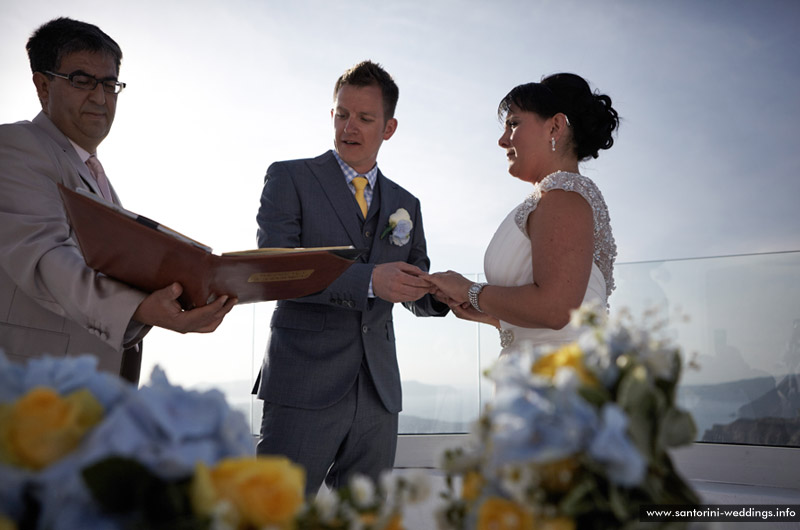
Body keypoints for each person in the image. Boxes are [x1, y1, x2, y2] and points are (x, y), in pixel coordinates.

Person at [0, 17, 236, 384]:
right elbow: (46, 257)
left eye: (109, 83)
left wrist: (183, 290)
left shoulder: (95, 175)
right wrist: (141, 308)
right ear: (43, 86)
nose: (99, 97)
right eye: (82, 81)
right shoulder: (15, 147)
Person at [252, 60, 449, 495]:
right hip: (303, 384)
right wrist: (367, 282)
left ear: (389, 127)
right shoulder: (289, 177)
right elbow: (275, 268)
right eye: (342, 114)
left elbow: (413, 282)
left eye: (364, 118)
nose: (349, 126)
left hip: (378, 395)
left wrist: (441, 295)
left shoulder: (406, 203)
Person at [428, 73, 618, 354]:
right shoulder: (556, 197)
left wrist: (470, 290)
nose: (503, 140)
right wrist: (490, 314)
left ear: (555, 126)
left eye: (513, 124)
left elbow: (555, 309)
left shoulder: (563, 198)